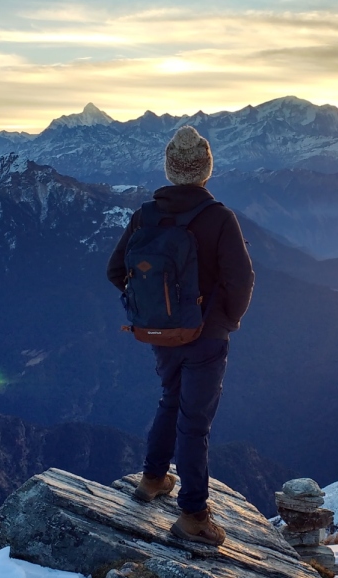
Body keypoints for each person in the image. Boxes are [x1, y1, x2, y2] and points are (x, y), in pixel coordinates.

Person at [106, 125, 254, 546]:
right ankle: (193, 516)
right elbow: (241, 281)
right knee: (195, 423)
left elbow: (116, 271)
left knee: (170, 398)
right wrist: (226, 320)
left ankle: (153, 479)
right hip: (206, 337)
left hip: (160, 332)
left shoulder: (145, 215)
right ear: (206, 170)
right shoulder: (219, 218)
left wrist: (150, 308)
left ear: (170, 170)